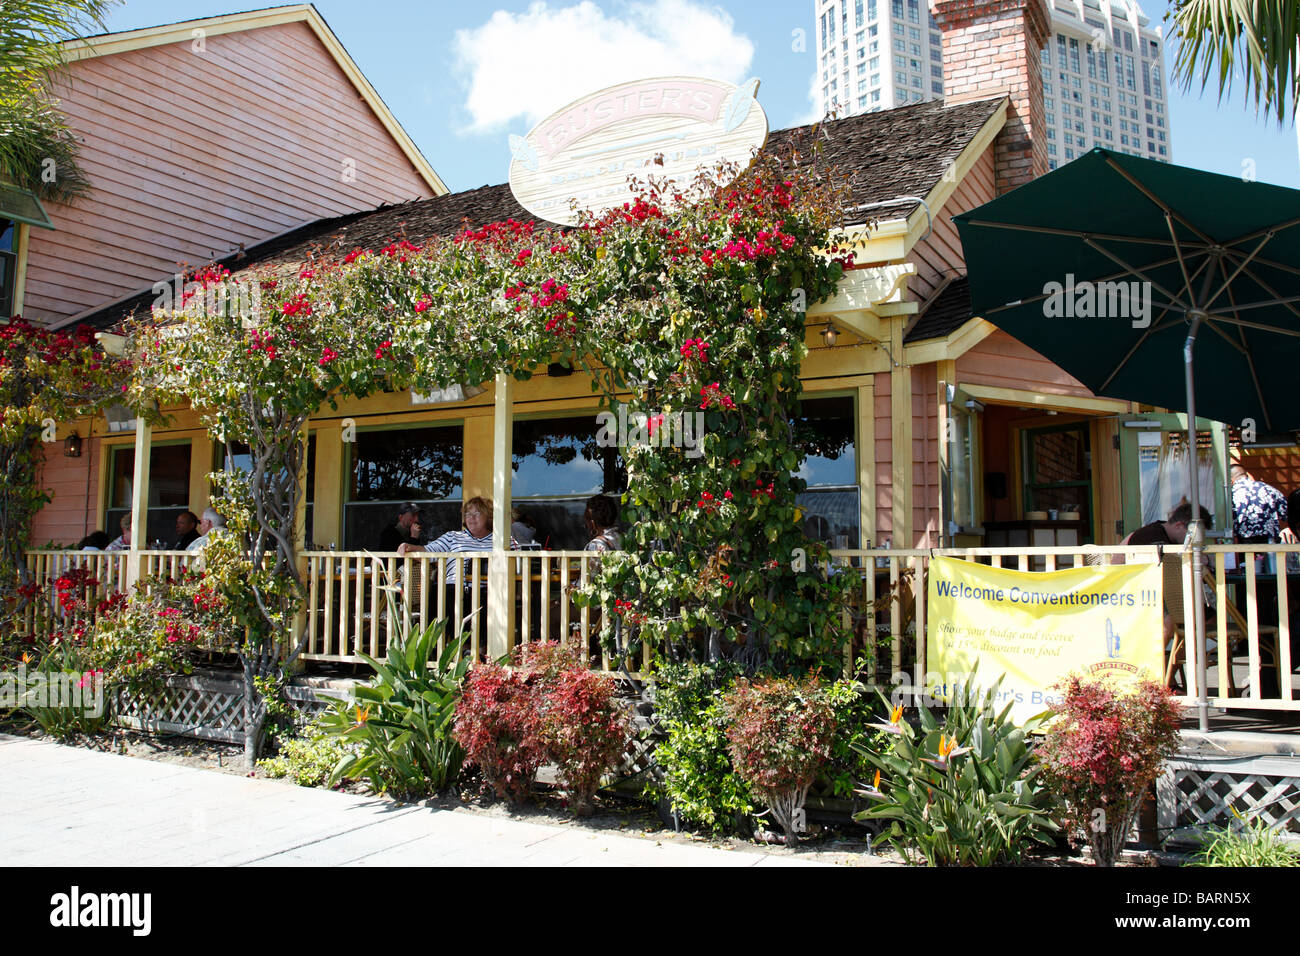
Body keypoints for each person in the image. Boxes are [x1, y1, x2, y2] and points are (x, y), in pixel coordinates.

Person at [399, 497, 497, 585]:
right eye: (467, 514)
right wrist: (409, 546)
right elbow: (428, 552)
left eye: (477, 513)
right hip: (454, 593)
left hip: (491, 596)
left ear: (489, 516)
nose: (471, 518)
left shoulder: (503, 541)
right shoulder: (452, 537)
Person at [1231, 464, 1293, 544]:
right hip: (1269, 540)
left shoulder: (1231, 493)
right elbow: (1289, 512)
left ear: (1230, 480)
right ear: (1246, 475)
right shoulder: (1267, 489)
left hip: (1244, 542)